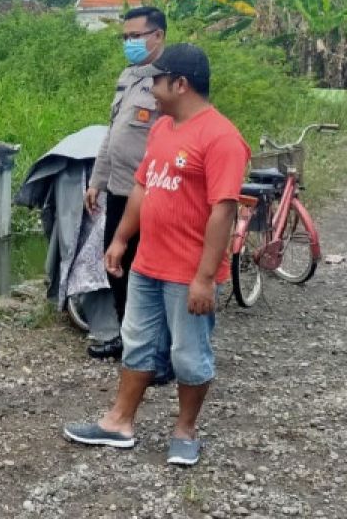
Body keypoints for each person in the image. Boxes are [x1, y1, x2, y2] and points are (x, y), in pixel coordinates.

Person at [64, 44, 250, 466]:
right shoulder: (163, 128)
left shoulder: (221, 137)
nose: (150, 89)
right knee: (137, 343)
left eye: (156, 81)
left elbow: (224, 209)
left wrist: (205, 278)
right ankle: (119, 422)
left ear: (180, 84)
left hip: (188, 273)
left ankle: (185, 431)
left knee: (188, 352)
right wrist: (121, 240)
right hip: (148, 264)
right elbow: (144, 187)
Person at [83, 6, 168, 361]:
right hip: (119, 189)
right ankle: (126, 337)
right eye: (126, 37)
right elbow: (112, 133)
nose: (130, 43)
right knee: (115, 264)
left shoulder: (171, 80)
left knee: (149, 271)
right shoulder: (129, 77)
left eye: (136, 36)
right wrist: (96, 181)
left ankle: (156, 349)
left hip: (153, 194)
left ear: (158, 35)